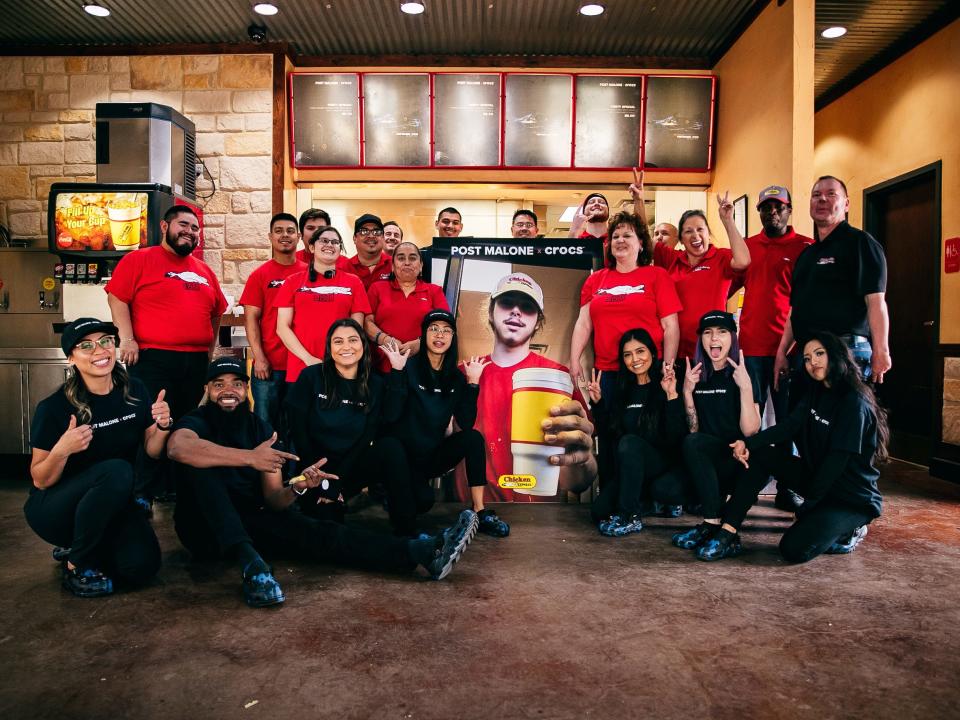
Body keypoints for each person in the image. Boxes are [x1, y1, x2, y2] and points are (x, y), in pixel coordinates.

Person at [169, 356, 477, 608]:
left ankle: (421, 553)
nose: (229, 390)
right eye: (219, 384)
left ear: (245, 389)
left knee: (322, 533)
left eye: (237, 384)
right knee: (200, 465)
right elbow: (178, 448)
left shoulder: (259, 427)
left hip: (250, 520)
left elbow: (274, 498)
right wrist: (249, 458)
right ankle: (250, 564)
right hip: (202, 529)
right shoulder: (197, 420)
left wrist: (300, 486)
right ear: (208, 389)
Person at [712, 332, 888, 563]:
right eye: (806, 358)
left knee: (793, 550)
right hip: (817, 477)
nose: (812, 362)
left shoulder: (853, 403)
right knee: (762, 454)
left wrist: (809, 506)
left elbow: (835, 463)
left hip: (850, 497)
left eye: (819, 354)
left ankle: (852, 528)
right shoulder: (816, 391)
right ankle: (728, 530)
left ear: (836, 355)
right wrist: (749, 443)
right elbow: (789, 426)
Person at [24, 318, 166, 597]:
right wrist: (62, 449)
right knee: (117, 470)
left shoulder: (135, 390)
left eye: (105, 341)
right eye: (86, 346)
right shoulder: (54, 408)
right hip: (55, 509)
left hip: (112, 503)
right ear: (71, 359)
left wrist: (163, 425)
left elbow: (153, 450)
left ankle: (87, 543)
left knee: (142, 567)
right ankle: (78, 562)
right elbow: (40, 479)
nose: (99, 351)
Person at [454, 273, 597, 531]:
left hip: (540, 523)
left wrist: (584, 460)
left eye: (527, 307)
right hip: (472, 521)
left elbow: (578, 482)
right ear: (491, 312)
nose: (516, 311)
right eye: (507, 302)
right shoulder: (462, 375)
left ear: (538, 321)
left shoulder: (558, 379)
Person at [106, 204, 227, 507]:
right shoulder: (139, 260)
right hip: (152, 358)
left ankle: (173, 487)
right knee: (151, 424)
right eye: (183, 225)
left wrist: (209, 352)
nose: (189, 231)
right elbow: (116, 297)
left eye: (194, 228)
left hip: (195, 361)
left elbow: (216, 313)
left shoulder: (204, 271)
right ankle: (141, 492)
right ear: (164, 227)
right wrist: (127, 338)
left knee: (184, 425)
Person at [730, 185, 813, 512]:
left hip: (789, 351)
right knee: (748, 420)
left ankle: (786, 486)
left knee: (786, 422)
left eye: (778, 207)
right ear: (760, 212)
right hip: (750, 350)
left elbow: (806, 300)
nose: (772, 212)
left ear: (790, 210)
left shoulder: (804, 247)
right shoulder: (748, 248)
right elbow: (725, 284)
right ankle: (746, 481)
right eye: (766, 207)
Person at [383, 310, 493, 537]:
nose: (439, 334)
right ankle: (397, 498)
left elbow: (466, 422)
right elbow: (391, 416)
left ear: (453, 338)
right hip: (404, 459)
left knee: (473, 438)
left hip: (432, 456)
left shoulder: (455, 378)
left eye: (446, 330)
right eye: (433, 329)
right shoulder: (408, 367)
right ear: (423, 335)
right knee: (422, 502)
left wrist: (473, 384)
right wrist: (396, 372)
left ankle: (479, 510)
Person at [285, 319, 407, 522]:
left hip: (351, 466)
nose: (346, 347)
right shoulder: (311, 376)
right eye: (338, 341)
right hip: (312, 468)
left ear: (363, 345)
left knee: (391, 447)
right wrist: (320, 479)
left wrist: (398, 371)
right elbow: (298, 432)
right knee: (325, 521)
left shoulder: (374, 384)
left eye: (353, 340)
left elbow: (368, 436)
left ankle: (407, 533)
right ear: (329, 347)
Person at [774, 176, 891, 386]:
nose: (822, 200)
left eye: (831, 194)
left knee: (844, 417)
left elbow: (876, 302)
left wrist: (881, 350)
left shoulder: (861, 243)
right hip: (807, 356)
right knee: (810, 418)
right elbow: (795, 311)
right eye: (816, 195)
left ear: (846, 204)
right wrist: (782, 351)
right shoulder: (806, 255)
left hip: (846, 352)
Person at [672, 311, 760, 553]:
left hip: (737, 459)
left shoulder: (745, 370)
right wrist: (688, 391)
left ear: (732, 337)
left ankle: (712, 522)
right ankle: (713, 518)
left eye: (722, 332)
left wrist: (746, 387)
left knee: (695, 444)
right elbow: (694, 431)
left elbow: (751, 430)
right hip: (708, 461)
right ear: (701, 339)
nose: (714, 338)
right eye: (708, 333)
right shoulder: (696, 373)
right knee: (666, 487)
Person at [586, 328, 688, 537]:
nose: (635, 359)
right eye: (628, 354)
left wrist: (672, 397)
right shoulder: (623, 390)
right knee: (599, 512)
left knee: (630, 443)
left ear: (652, 352)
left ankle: (630, 516)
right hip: (632, 471)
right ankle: (651, 503)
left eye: (640, 351)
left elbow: (676, 438)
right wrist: (598, 403)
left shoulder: (665, 385)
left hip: (662, 465)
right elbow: (610, 433)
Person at [652, 194, 750, 361]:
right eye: (688, 231)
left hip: (712, 351)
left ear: (708, 233)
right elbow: (643, 241)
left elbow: (743, 261)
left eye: (700, 229)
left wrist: (727, 220)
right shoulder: (673, 258)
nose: (695, 235)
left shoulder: (721, 257)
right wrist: (639, 200)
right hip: (677, 351)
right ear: (681, 240)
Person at [275, 226, 371, 385]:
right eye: (324, 241)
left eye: (335, 242)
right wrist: (308, 359)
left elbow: (356, 330)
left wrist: (342, 361)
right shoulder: (293, 281)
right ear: (312, 247)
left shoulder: (353, 282)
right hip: (302, 367)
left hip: (342, 368)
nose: (330, 245)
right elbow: (282, 327)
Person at [239, 212, 307, 430]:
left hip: (303, 363)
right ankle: (265, 465)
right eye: (278, 231)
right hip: (270, 366)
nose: (284, 235)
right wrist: (259, 357)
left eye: (289, 231)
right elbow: (251, 319)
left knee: (298, 426)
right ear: (270, 237)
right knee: (265, 425)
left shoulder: (310, 273)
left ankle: (297, 466)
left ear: (298, 236)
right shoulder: (260, 275)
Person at [364, 241, 449, 373]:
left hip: (423, 368)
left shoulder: (434, 291)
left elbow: (445, 326)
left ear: (421, 266)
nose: (407, 262)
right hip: (382, 367)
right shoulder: (377, 288)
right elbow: (366, 322)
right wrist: (385, 339)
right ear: (393, 266)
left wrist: (421, 343)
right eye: (401, 258)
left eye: (413, 258)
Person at [346, 213, 393, 290]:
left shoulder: (395, 266)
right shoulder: (344, 269)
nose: (371, 236)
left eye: (376, 231)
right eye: (364, 231)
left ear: (383, 237)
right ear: (354, 238)